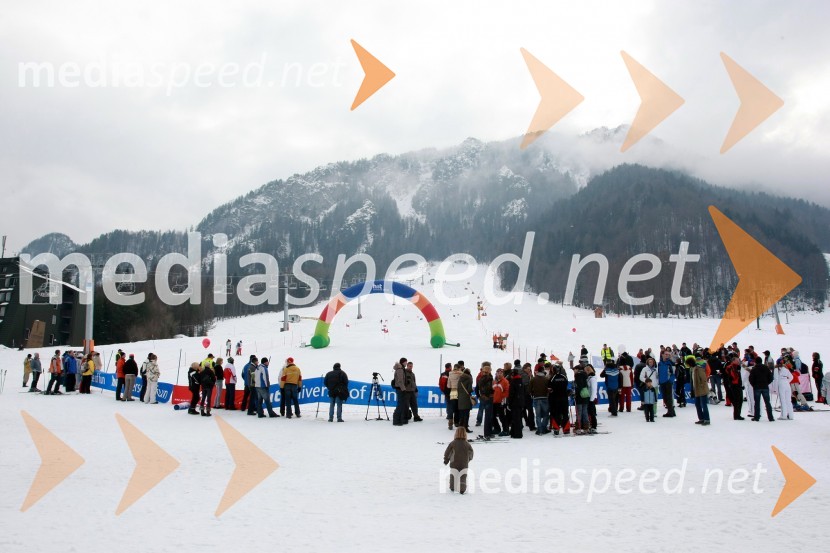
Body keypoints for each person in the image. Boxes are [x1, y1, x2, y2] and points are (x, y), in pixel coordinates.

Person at [443, 427, 474, 494]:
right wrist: (468, 459)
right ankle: (462, 489)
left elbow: (447, 452)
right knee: (463, 476)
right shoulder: (467, 444)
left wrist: (446, 460)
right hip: (464, 463)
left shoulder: (452, 443)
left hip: (454, 463)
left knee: (453, 475)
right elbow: (471, 453)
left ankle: (452, 487)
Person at [689, 357, 710, 425]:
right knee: (697, 404)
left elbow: (704, 379)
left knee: (704, 405)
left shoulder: (699, 368)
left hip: (702, 389)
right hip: (696, 390)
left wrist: (701, 386)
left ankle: (707, 419)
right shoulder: (693, 369)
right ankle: (701, 418)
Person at [529, 365, 550, 434]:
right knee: (546, 414)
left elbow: (529, 389)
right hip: (544, 397)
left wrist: (532, 394)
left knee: (538, 415)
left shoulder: (533, 379)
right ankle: (544, 428)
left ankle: (539, 429)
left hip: (536, 398)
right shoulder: (546, 379)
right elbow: (549, 388)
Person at [724, 355, 744, 420]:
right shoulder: (731, 367)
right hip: (735, 385)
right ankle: (737, 415)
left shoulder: (736, 367)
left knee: (739, 400)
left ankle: (737, 414)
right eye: (737, 360)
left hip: (737, 385)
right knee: (737, 400)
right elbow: (733, 376)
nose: (739, 361)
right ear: (733, 361)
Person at [477, 363, 495, 438]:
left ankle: (489, 432)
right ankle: (487, 433)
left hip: (484, 398)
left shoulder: (481, 378)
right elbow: (487, 389)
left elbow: (478, 388)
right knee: (488, 416)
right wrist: (492, 392)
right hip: (488, 398)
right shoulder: (488, 378)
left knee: (489, 416)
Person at [657, 351, 676, 417]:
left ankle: (670, 412)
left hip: (668, 382)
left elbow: (674, 373)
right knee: (665, 398)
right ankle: (672, 411)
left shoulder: (671, 363)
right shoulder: (659, 363)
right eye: (666, 354)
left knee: (669, 397)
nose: (667, 355)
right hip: (662, 382)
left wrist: (670, 380)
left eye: (668, 354)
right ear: (662, 355)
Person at [573, 365, 590, 434]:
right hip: (585, 394)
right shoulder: (585, 375)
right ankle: (586, 426)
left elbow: (579, 385)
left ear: (577, 369)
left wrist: (576, 393)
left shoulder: (578, 375)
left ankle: (578, 427)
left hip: (580, 396)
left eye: (574, 370)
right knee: (585, 411)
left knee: (579, 412)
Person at [508, 367, 525, 438]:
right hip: (520, 402)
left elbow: (511, 394)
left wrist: (509, 403)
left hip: (515, 402)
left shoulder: (513, 382)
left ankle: (516, 433)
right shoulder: (521, 381)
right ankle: (515, 432)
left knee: (515, 418)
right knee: (519, 418)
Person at [493, 367, 510, 436]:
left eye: (501, 373)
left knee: (502, 416)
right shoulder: (494, 381)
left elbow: (507, 392)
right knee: (492, 416)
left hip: (501, 401)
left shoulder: (505, 381)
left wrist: (502, 397)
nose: (499, 374)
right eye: (498, 373)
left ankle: (506, 430)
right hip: (494, 401)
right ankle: (497, 428)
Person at [392, 358, 409, 426]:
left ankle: (400, 419)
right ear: (403, 362)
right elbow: (400, 380)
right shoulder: (400, 369)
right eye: (405, 362)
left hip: (400, 389)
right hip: (400, 389)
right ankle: (396, 420)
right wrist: (403, 389)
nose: (406, 363)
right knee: (400, 405)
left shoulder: (401, 369)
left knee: (401, 404)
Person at [456, 368, 474, 433]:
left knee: (461, 414)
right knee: (466, 414)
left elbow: (458, 388)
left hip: (460, 398)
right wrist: (472, 390)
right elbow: (469, 389)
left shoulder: (460, 378)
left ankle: (460, 428)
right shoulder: (469, 378)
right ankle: (465, 428)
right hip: (466, 398)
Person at [446, 363, 462, 429]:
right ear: (459, 368)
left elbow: (448, 386)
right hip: (459, 392)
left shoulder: (450, 374)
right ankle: (456, 422)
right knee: (457, 408)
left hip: (452, 391)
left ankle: (450, 423)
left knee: (451, 408)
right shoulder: (460, 374)